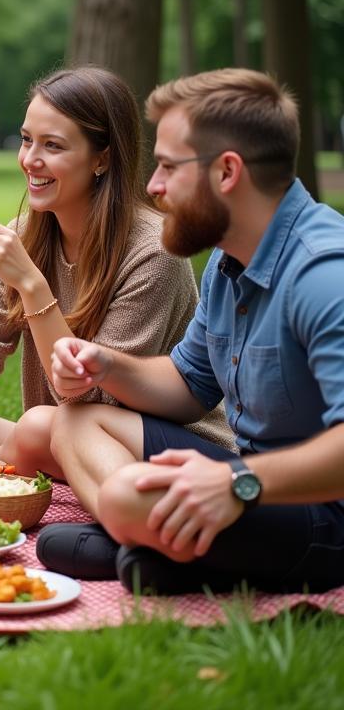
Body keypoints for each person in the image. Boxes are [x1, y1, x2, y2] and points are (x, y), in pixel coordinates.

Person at [39, 68, 344, 594]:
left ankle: (144, 539)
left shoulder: (324, 275)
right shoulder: (230, 263)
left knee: (124, 497)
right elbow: (185, 388)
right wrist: (106, 365)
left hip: (323, 512)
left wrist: (235, 482)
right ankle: (156, 548)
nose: (153, 187)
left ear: (227, 172)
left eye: (167, 167)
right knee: (74, 421)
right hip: (250, 477)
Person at [0, 66, 232, 476]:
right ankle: (1, 476)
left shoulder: (153, 250)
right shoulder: (26, 236)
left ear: (101, 158)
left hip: (157, 439)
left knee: (38, 424)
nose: (30, 160)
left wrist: (32, 285)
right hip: (58, 428)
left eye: (52, 146)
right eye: (26, 140)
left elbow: (91, 401)